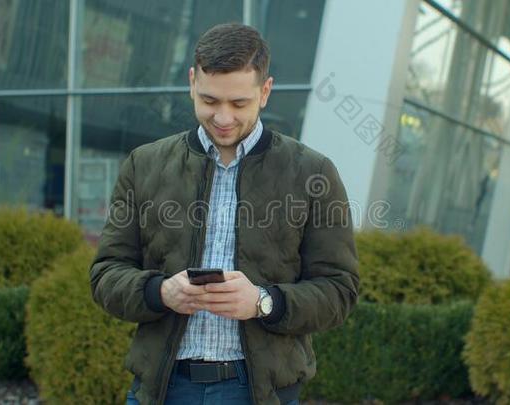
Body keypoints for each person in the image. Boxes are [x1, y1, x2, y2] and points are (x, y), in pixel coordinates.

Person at [90, 23, 359, 405]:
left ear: (265, 92)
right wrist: (159, 292)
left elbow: (340, 289)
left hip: (258, 392)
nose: (223, 117)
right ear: (191, 82)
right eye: (210, 100)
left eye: (239, 103)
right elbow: (105, 274)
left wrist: (264, 303)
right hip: (161, 390)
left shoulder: (312, 173)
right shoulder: (144, 165)